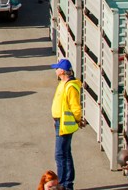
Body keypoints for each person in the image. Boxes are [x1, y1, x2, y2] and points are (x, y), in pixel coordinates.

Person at [50, 59, 83, 190]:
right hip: (59, 122)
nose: (55, 70)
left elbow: (75, 107)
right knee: (66, 153)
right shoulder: (63, 83)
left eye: (57, 68)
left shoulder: (70, 86)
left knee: (60, 155)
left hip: (64, 125)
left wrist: (78, 120)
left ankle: (63, 184)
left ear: (62, 71)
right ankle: (67, 183)